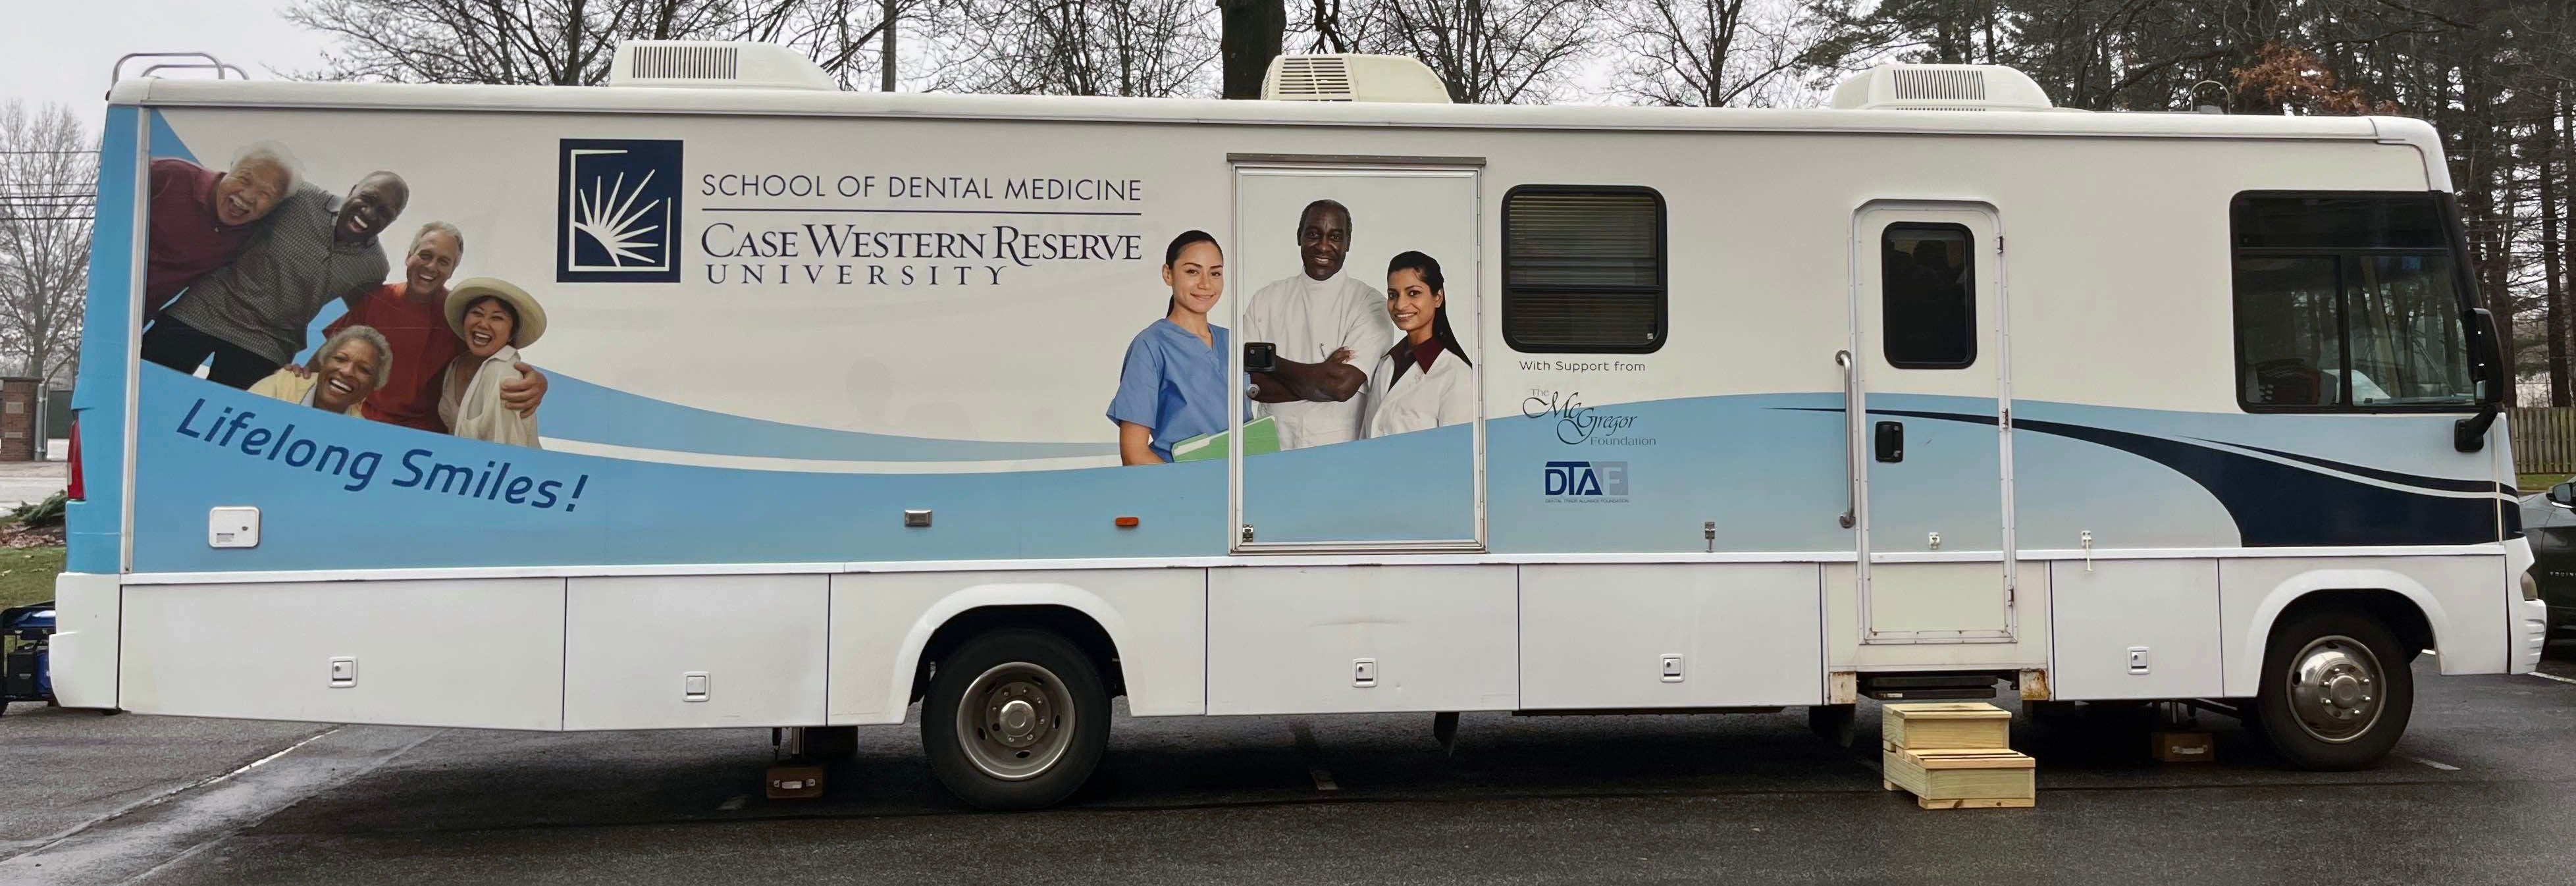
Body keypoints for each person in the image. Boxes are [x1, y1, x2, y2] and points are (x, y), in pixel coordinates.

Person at [143, 170, 409, 388]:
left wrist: (317, 368)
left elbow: (358, 319)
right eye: (367, 198)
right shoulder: (298, 197)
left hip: (269, 341)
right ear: (353, 189)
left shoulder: (373, 266)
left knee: (228, 422)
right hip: (208, 306)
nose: (370, 213)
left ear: (394, 220)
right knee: (143, 381)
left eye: (385, 213)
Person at [313, 222, 549, 430]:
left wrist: (538, 382)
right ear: (409, 257)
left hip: (427, 437)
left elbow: (502, 358)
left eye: (444, 262)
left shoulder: (458, 317)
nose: (432, 267)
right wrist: (295, 380)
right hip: (363, 423)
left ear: (452, 271)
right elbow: (330, 354)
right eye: (425, 255)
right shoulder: (375, 299)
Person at [1242, 199, 1394, 450]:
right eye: (1313, 234)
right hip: (1272, 450)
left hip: (1340, 453)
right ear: (1299, 237)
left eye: (1335, 237)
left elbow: (1341, 386)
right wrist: (1321, 375)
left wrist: (1272, 362)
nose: (1323, 246)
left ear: (1347, 244)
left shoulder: (1370, 304)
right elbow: (1253, 386)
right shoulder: (1265, 300)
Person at [1108, 231, 1235, 465]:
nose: (1206, 284)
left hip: (1239, 491)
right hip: (1181, 492)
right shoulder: (1150, 346)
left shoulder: (1233, 342)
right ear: (1168, 274)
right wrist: (1187, 492)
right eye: (1192, 271)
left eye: (1215, 273)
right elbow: (1134, 454)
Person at [144, 143, 299, 323]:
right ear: (231, 168)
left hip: (130, 319)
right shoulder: (171, 174)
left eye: (266, 194)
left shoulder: (254, 237)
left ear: (276, 205)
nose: (248, 196)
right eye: (244, 179)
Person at [1361, 251, 1475, 438]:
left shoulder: (1457, 376)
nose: (1400, 305)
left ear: (1438, 297)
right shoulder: (1387, 364)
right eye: (1393, 295)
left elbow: (1457, 456)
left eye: (1413, 293)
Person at [438, 278, 546, 448]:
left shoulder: (505, 375)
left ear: (512, 334)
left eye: (497, 318)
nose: (483, 323)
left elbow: (509, 455)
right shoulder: (456, 364)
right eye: (477, 313)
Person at [248, 325, 390, 418]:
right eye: (340, 359)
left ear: (374, 386)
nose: (347, 372)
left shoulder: (362, 434)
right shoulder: (282, 384)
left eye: (364, 370)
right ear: (324, 361)